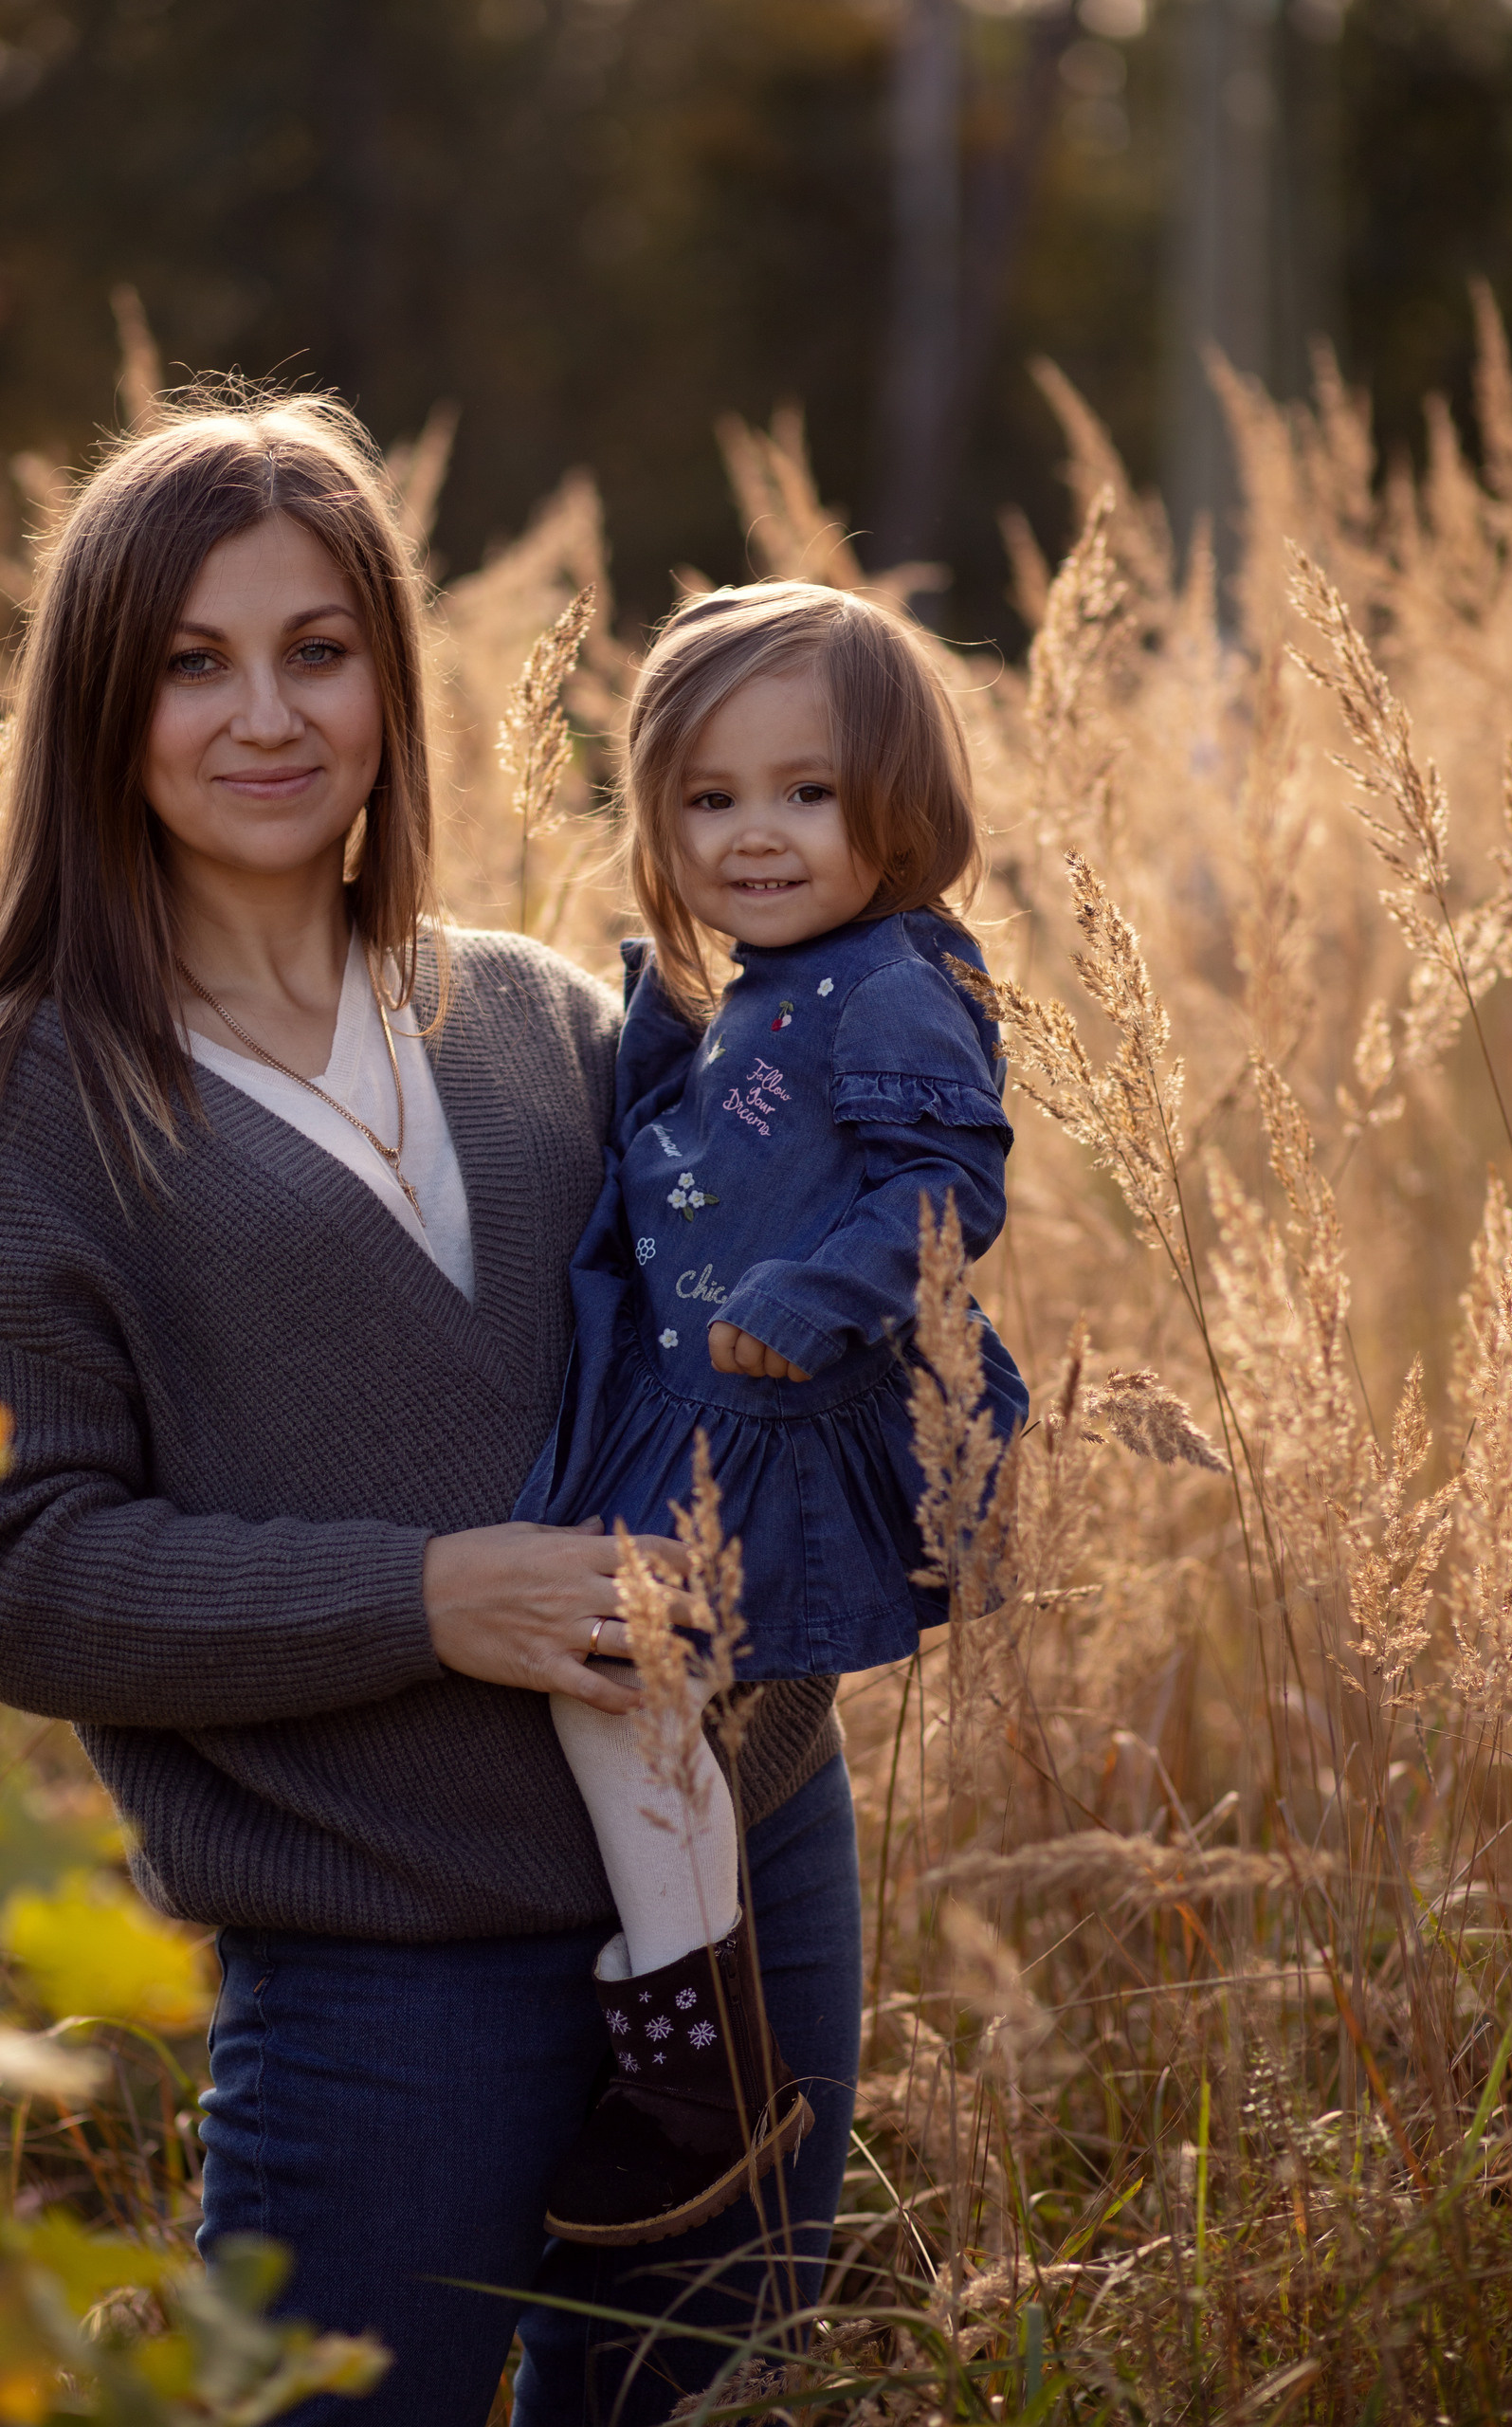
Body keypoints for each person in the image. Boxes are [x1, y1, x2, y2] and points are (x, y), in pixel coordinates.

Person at [0, 392, 858, 2426]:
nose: (267, 715)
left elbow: (742, 1362)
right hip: (385, 1974)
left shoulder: (540, 1013)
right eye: (192, 663)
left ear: (388, 685)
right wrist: (431, 1592)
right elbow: (3, 1577)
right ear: (99, 711)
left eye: (316, 650)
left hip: (754, 1860)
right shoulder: (36, 1106)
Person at [515, 581, 1027, 2246]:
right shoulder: (766, 978)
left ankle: (691, 2053)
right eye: (708, 798)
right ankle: (693, 2023)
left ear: (899, 807)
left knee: (630, 1685)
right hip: (695, 1411)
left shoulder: (888, 984)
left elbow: (947, 1180)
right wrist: (659, 1049)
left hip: (781, 1419)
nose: (755, 835)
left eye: (805, 794)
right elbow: (724, 1148)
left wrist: (820, 1298)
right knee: (647, 1699)